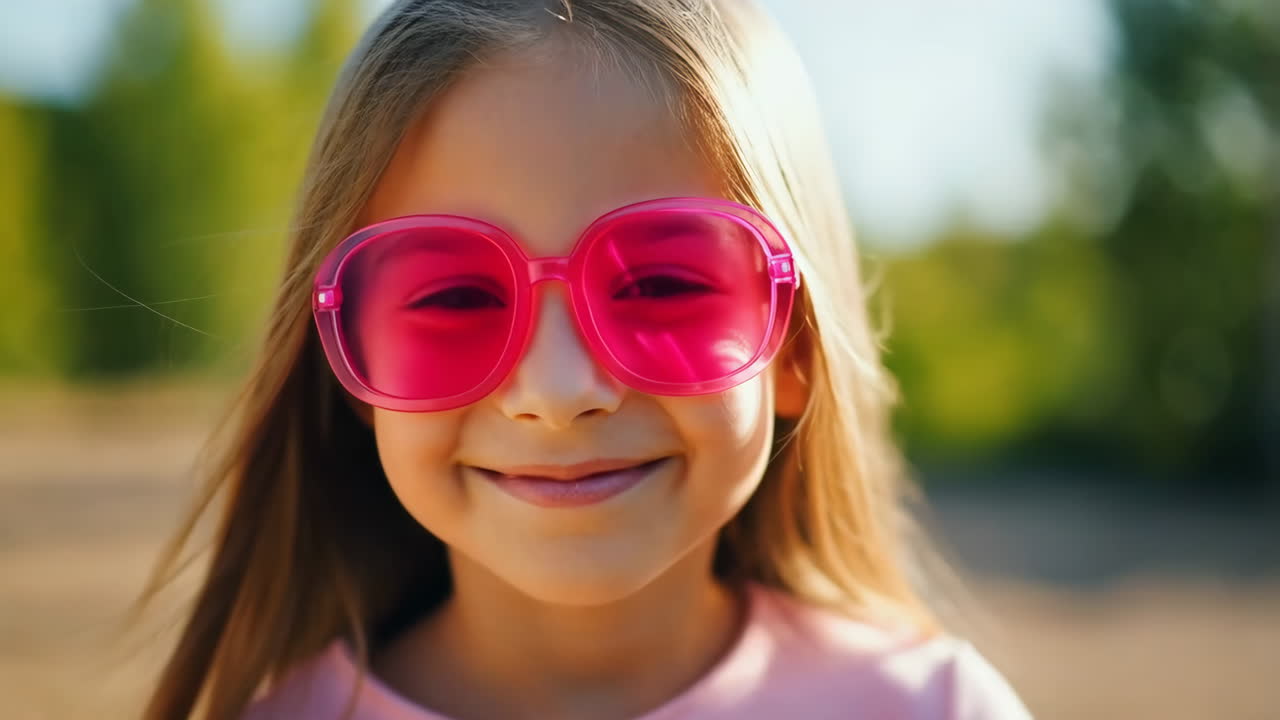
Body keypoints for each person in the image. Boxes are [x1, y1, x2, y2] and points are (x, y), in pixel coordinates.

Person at [132, 1, 1033, 718]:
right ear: (353, 355)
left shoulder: (933, 707)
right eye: (453, 297)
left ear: (793, 345)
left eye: (662, 286)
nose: (559, 392)